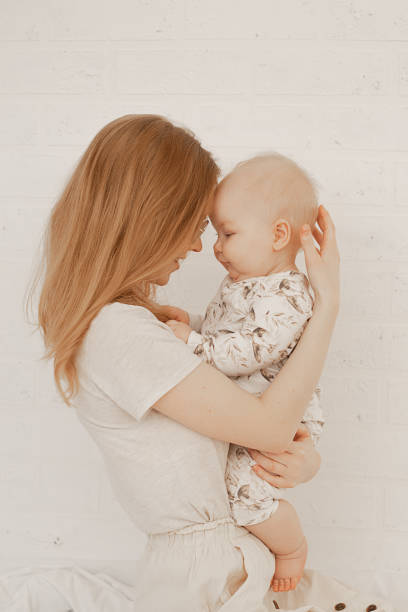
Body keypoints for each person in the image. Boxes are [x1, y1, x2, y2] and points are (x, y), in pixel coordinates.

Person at [25, 113, 384, 611]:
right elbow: (270, 428)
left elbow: (257, 434)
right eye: (192, 229)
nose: (199, 247)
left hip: (228, 564)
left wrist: (295, 463)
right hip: (208, 582)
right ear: (149, 221)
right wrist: (327, 307)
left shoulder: (134, 325)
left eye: (211, 231)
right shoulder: (118, 333)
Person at [165, 152, 324, 593]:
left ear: (278, 235)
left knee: (247, 492)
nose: (216, 247)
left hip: (277, 414)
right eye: (216, 233)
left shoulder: (289, 293)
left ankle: (291, 547)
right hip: (246, 407)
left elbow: (251, 349)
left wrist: (193, 344)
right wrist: (195, 324)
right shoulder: (243, 282)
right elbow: (225, 332)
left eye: (228, 233)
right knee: (221, 485)